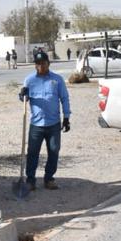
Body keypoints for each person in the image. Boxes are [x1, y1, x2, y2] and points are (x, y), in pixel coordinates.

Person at [18, 49, 71, 191]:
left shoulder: (57, 80)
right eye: (38, 63)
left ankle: (49, 178)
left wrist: (66, 117)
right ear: (35, 65)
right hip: (36, 124)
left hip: (53, 124)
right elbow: (24, 98)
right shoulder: (30, 80)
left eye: (43, 63)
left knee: (54, 151)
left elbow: (64, 98)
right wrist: (22, 95)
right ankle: (30, 180)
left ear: (49, 63)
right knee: (32, 153)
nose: (41, 66)